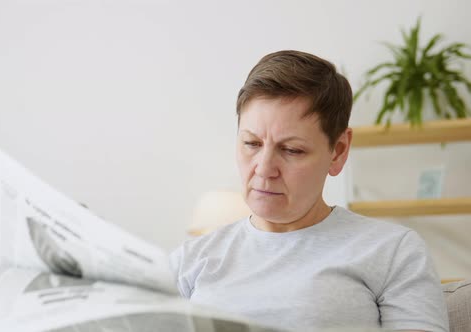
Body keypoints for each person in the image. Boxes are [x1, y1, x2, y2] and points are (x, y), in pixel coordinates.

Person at [169, 50, 449, 331]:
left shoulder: (392, 251)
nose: (264, 168)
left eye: (292, 150)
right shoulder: (189, 260)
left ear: (338, 152)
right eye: (252, 144)